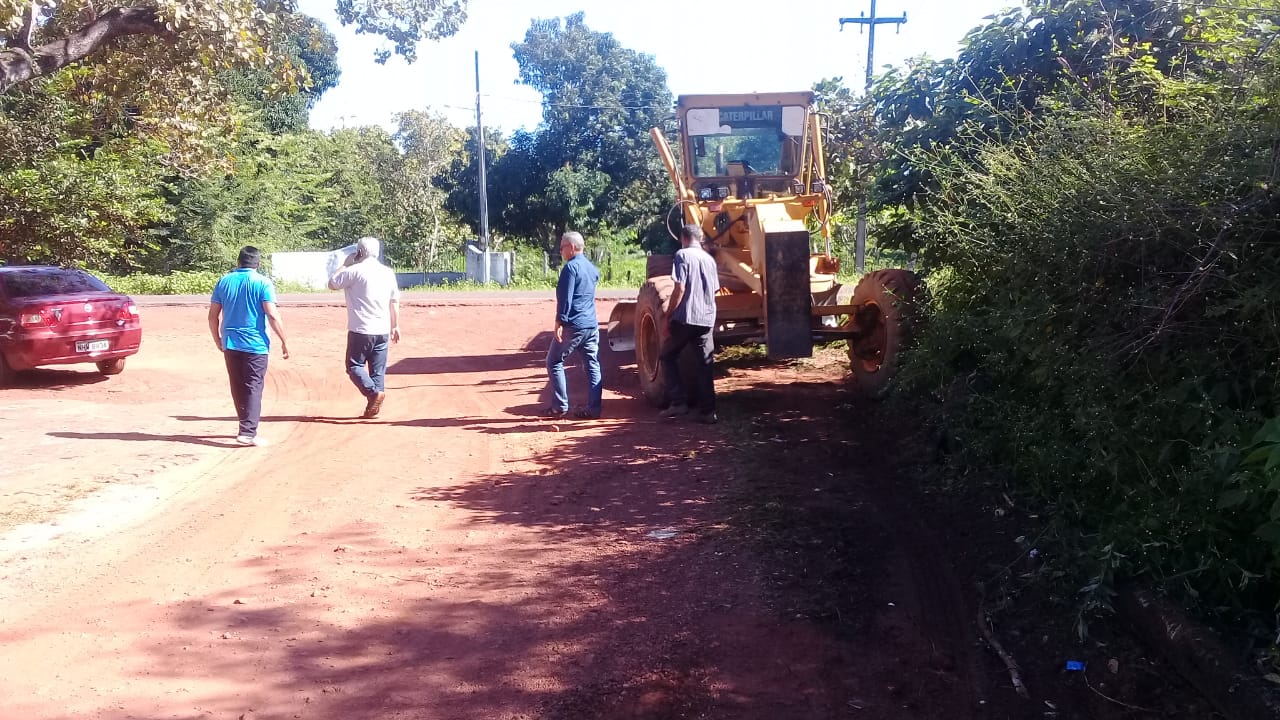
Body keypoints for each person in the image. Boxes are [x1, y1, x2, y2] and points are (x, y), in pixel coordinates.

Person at [208, 246, 290, 446]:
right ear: (258, 264)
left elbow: (212, 316)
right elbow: (272, 314)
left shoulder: (224, 281)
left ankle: (245, 427)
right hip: (256, 344)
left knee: (237, 386)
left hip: (230, 342)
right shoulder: (263, 283)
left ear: (238, 262)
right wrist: (284, 340)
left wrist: (217, 338)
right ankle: (247, 433)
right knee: (253, 386)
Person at [328, 236, 401, 418]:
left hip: (360, 329)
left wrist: (345, 264)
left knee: (354, 366)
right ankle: (373, 406)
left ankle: (373, 393)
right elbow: (394, 301)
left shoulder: (353, 271)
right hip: (382, 329)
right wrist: (395, 326)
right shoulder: (388, 272)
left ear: (359, 252)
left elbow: (332, 283)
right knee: (378, 371)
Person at [659, 224, 720, 424]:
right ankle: (708, 412)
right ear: (700, 238)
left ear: (683, 238)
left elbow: (680, 288)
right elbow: (715, 290)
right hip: (706, 318)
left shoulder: (682, 255)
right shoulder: (709, 259)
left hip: (686, 317)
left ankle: (678, 402)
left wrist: (668, 314)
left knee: (667, 356)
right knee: (705, 364)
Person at [544, 230, 603, 419]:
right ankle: (594, 409)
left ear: (571, 247)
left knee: (554, 361)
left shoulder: (571, 268)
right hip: (591, 325)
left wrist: (559, 321)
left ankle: (560, 406)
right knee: (592, 364)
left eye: (562, 247)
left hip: (574, 325)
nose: (560, 251)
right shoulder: (592, 268)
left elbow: (566, 299)